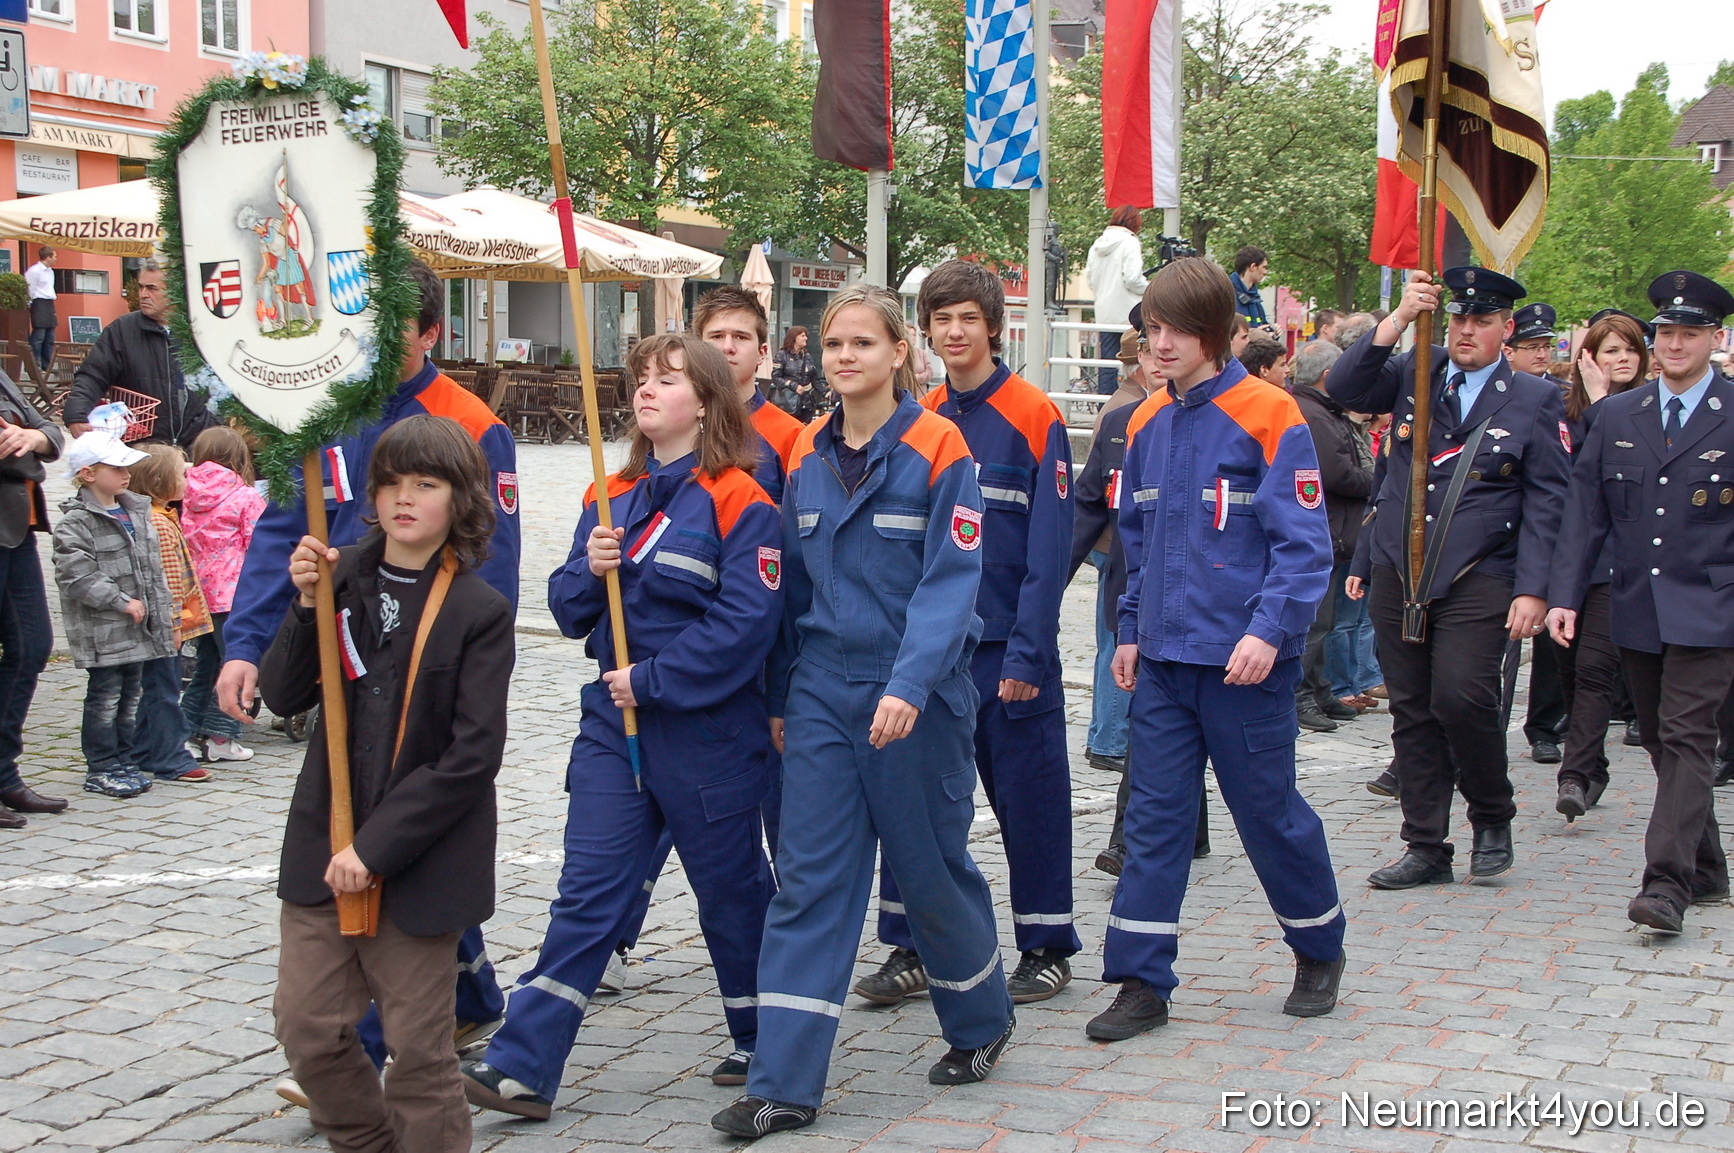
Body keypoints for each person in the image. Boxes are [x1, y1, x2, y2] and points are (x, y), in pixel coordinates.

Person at [711, 285, 1014, 1139]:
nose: (845, 356)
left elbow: (951, 583)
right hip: (821, 691)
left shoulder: (940, 446)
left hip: (917, 694)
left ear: (899, 354)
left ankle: (981, 1019)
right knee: (809, 882)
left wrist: (908, 687)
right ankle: (783, 1082)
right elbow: (790, 589)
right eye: (834, 343)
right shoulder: (806, 450)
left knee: (928, 871)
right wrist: (781, 694)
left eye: (863, 343)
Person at [214, 260, 517, 1102]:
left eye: (391, 332)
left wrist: (458, 669)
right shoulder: (319, 411)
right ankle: (459, 999)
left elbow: (492, 564)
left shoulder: (473, 424)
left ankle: (384, 1045)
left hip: (426, 671)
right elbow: (283, 529)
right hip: (344, 655)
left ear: (430, 333)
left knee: (405, 834)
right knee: (378, 842)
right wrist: (248, 642)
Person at [463, 334, 780, 1119]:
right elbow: (568, 609)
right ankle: (524, 1064)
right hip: (613, 723)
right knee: (588, 889)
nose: (646, 389)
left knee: (732, 895)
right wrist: (589, 567)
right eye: (641, 376)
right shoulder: (606, 494)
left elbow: (746, 625)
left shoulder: (743, 500)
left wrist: (654, 678)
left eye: (667, 379)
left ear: (704, 402)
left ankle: (766, 1037)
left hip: (707, 730)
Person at [1088, 257, 1344, 1043]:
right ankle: (1140, 980)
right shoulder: (1145, 421)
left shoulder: (1271, 413)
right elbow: (1137, 542)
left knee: (1268, 814)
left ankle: (1318, 946)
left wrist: (1269, 632)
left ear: (1214, 331)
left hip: (1245, 667)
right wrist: (1130, 630)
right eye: (1150, 329)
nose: (1158, 344)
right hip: (1166, 665)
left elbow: (1304, 548)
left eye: (1173, 330)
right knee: (1154, 821)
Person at [264, 415, 513, 1153]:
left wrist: (375, 848)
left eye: (426, 484)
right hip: (324, 845)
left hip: (418, 861)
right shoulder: (339, 575)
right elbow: (283, 694)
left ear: (459, 498)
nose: (405, 497)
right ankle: (365, 1141)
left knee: (419, 1051)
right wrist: (305, 606)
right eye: (391, 482)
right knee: (307, 1026)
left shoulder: (479, 611)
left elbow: (472, 757)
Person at [854, 260, 1077, 1007]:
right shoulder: (917, 419)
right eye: (941, 319)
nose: (954, 332)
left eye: (968, 319)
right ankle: (912, 945)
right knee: (913, 800)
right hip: (932, 654)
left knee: (1028, 801)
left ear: (994, 327)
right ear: (924, 331)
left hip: (1007, 651)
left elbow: (1049, 552)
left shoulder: (1034, 415)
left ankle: (1046, 944)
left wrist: (1030, 655)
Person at [1329, 267, 1570, 891]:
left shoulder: (1534, 398)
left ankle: (1492, 815)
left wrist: (1534, 588)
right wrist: (1399, 319)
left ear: (1505, 330)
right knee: (1411, 708)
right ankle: (1426, 845)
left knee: (1462, 698)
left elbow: (1548, 501)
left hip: (1479, 570)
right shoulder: (1420, 369)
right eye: (1459, 317)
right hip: (1400, 565)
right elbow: (1344, 385)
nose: (1466, 330)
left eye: (1482, 321)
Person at [1547, 271, 1734, 935]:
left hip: (1713, 604)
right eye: (1666, 333)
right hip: (1638, 601)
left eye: (1690, 333)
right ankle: (1706, 864)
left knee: (1687, 735)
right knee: (1658, 736)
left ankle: (1665, 884)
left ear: (1715, 338)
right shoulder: (1619, 415)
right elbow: (1585, 511)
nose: (1675, 344)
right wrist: (1565, 594)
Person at [1068, 309, 1210, 876]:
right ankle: (1152, 837)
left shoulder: (1222, 418)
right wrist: (1046, 588)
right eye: (1147, 345)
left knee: (1167, 728)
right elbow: (1087, 507)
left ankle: (1148, 835)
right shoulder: (1122, 423)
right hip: (1135, 597)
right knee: (1156, 723)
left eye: (1168, 340)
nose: (1157, 357)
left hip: (1202, 605)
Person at [1547, 310, 1649, 821]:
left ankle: (1574, 774)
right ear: (1589, 357)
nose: (1622, 359)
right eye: (1612, 350)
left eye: (1630, 349)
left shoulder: (1649, 409)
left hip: (1620, 563)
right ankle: (1594, 766)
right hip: (1569, 560)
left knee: (1594, 670)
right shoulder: (1563, 410)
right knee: (1569, 670)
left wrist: (1605, 404)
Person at [51, 432, 173, 798]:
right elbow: (77, 576)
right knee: (105, 699)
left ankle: (124, 760)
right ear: (88, 474)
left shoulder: (136, 511)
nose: (126, 474)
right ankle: (102, 766)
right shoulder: (76, 523)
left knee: (130, 697)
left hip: (139, 631)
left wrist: (164, 615)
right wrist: (121, 601)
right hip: (104, 633)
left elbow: (153, 571)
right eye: (117, 468)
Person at [1289, 340, 1373, 733]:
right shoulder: (1315, 414)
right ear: (1328, 376)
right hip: (1322, 530)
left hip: (1331, 530)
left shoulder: (1321, 410)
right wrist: (1377, 480)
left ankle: (1318, 690)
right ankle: (1298, 696)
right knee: (1316, 622)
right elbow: (1336, 474)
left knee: (1324, 621)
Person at [0, 369, 67, 827]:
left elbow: (51, 434)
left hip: (18, 525)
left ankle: (4, 773)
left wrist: (31, 437)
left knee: (32, 646)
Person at [124, 445, 213, 785]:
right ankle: (171, 756)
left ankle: (143, 748)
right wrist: (173, 623)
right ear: (160, 481)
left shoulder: (160, 515)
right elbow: (168, 581)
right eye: (181, 475)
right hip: (165, 624)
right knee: (165, 689)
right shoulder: (159, 523)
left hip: (164, 622)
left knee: (158, 685)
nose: (187, 481)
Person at [180, 426, 267, 763]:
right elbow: (258, 545)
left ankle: (186, 731)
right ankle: (221, 735)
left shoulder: (185, 492)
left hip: (197, 593)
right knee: (234, 664)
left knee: (205, 665)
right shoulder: (245, 496)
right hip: (233, 593)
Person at [1506, 301, 1569, 764]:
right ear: (1509, 349)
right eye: (1532, 346)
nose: (1542, 354)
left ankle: (1544, 725)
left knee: (1548, 642)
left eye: (1546, 346)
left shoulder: (1562, 397)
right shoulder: (1489, 395)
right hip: (1498, 539)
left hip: (1547, 536)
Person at [63, 261, 217, 448]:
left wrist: (215, 424)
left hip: (200, 444)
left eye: (152, 288)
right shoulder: (122, 330)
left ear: (175, 291)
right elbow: (92, 376)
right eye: (141, 287)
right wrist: (76, 415)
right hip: (142, 447)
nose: (143, 294)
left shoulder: (202, 330)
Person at [694, 286, 806, 508]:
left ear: (762, 353)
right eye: (717, 336)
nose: (727, 347)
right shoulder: (675, 425)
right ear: (697, 348)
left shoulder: (791, 436)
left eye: (740, 337)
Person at [1085, 207, 1149, 395]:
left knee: (1107, 365)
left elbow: (1090, 279)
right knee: (1137, 361)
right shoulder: (1130, 242)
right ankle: (1135, 402)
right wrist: (1151, 289)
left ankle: (1105, 406)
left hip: (1105, 313)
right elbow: (1132, 279)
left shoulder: (1097, 245)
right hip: (1129, 314)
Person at [772, 325, 820, 422]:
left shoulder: (807, 356)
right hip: (788, 403)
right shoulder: (782, 355)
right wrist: (793, 386)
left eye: (806, 336)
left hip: (806, 404)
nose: (806, 338)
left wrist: (826, 393)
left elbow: (815, 379)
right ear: (794, 337)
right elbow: (775, 377)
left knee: (805, 428)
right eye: (802, 336)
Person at [25, 246, 57, 374]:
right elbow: (30, 288)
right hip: (39, 302)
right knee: (39, 336)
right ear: (48, 257)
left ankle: (46, 365)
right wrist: (29, 304)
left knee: (50, 337)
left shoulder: (50, 272)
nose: (56, 259)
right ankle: (34, 364)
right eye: (54, 256)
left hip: (49, 303)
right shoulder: (34, 271)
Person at [1230, 246, 1271, 328]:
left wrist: (1272, 332)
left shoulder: (1255, 299)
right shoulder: (1227, 295)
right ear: (1253, 267)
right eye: (1264, 267)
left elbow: (1263, 325)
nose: (1265, 272)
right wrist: (1255, 333)